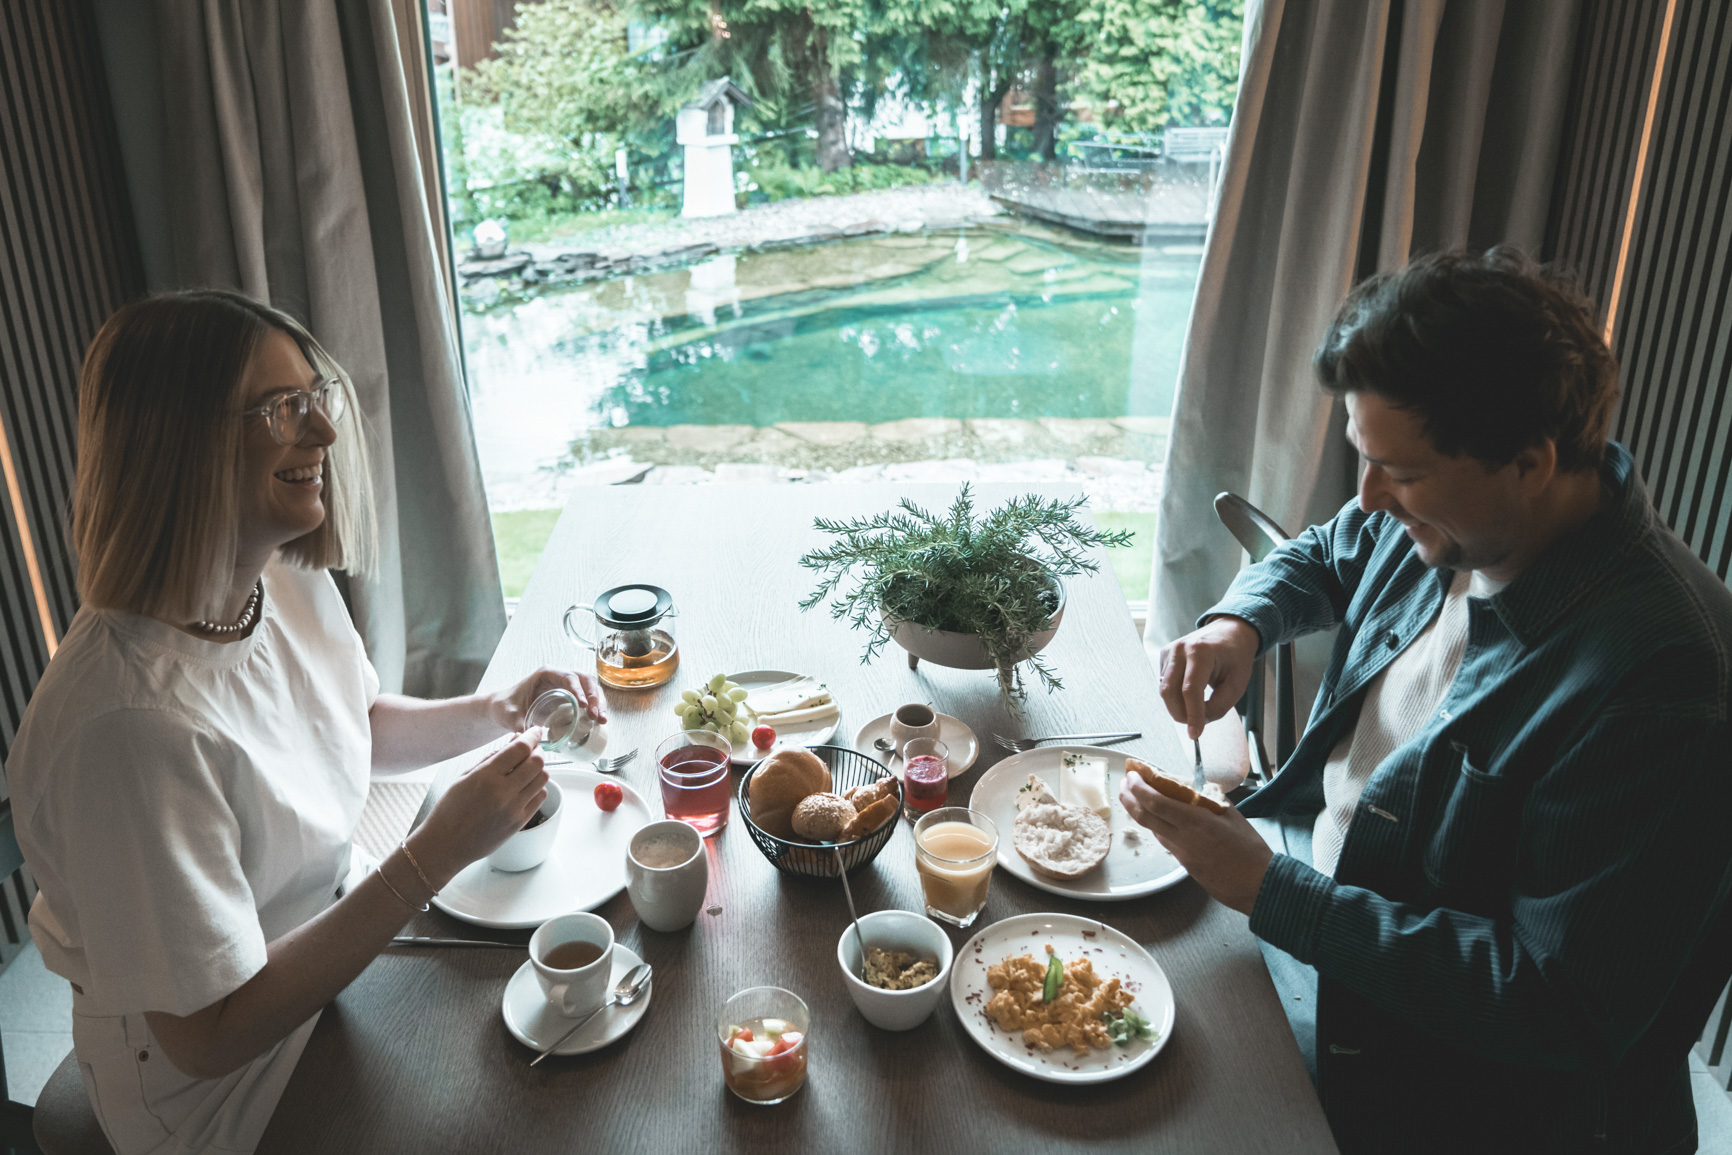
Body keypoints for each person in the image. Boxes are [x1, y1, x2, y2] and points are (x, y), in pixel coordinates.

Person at [1121, 249, 1732, 1153]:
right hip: (1317, 927)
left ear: (1530, 462)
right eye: (1364, 458)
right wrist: (1239, 624)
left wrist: (1272, 891)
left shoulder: (1665, 680)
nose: (1368, 496)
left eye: (1397, 472)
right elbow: (1333, 546)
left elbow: (1557, 1005)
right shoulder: (1455, 514)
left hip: (1454, 1097)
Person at [6, 290, 607, 1155]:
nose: (323, 432)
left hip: (337, 948)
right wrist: (435, 849)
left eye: (314, 396)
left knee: (572, 1042)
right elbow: (208, 1034)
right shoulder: (128, 727)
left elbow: (352, 723)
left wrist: (497, 711)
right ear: (181, 440)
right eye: (281, 409)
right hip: (223, 1093)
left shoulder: (271, 577)